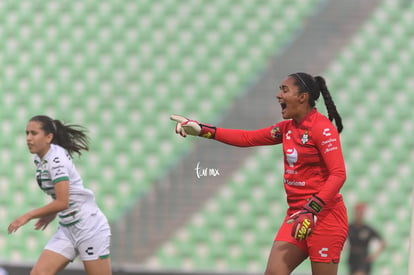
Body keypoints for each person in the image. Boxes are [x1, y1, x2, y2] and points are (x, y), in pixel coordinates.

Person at [170, 72, 348, 275]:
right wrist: (203, 130)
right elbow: (247, 138)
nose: (278, 95)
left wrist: (312, 209)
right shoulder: (287, 128)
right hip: (297, 215)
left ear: (302, 97)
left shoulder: (322, 129)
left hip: (324, 217)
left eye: (284, 90)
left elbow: (339, 174)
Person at [8, 115, 112, 275]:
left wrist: (28, 216)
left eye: (34, 133)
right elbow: (64, 198)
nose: (28, 138)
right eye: (27, 133)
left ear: (49, 137)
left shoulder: (56, 161)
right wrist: (52, 212)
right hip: (68, 228)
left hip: (89, 227)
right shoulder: (41, 158)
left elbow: (63, 202)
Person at [347, 202, 386, 275]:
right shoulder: (349, 227)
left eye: (360, 213)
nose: (358, 215)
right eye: (356, 212)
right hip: (352, 257)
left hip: (363, 257)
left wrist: (374, 255)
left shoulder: (368, 229)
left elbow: (383, 243)